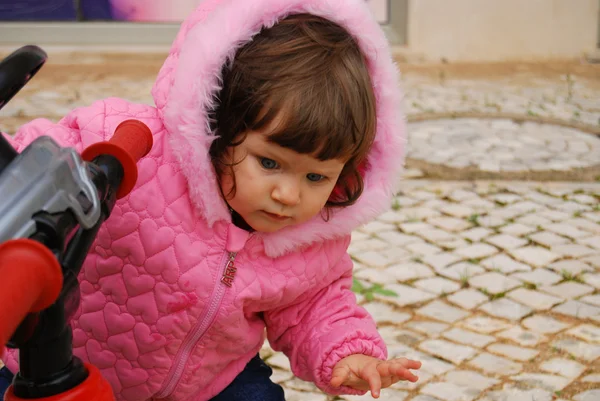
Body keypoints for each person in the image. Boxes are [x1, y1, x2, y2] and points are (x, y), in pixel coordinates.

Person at [0, 0, 420, 400]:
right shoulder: (132, 143)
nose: (288, 195)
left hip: (206, 386)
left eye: (316, 176)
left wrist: (348, 352)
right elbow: (37, 160)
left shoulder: (313, 237)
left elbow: (314, 306)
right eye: (269, 163)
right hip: (54, 365)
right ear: (220, 123)